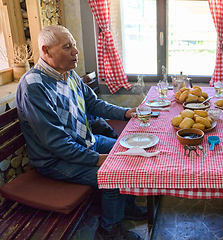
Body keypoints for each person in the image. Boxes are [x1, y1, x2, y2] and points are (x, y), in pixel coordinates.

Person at [16, 25, 144, 240]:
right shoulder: (33, 86)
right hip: (55, 160)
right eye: (68, 47)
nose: (76, 52)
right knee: (114, 174)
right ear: (46, 51)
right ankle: (108, 232)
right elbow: (57, 144)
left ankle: (125, 208)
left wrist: (126, 112)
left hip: (85, 143)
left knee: (130, 150)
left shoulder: (68, 73)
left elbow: (93, 103)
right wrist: (99, 159)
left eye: (74, 46)